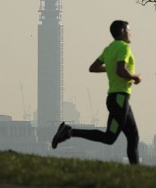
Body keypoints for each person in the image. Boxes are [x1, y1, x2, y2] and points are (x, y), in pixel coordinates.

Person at [51, 20, 143, 164]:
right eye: (129, 30)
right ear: (123, 31)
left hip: (118, 99)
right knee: (109, 138)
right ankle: (69, 132)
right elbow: (121, 71)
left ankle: (136, 174)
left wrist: (110, 67)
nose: (131, 33)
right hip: (119, 98)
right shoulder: (124, 47)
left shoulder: (109, 48)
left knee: (133, 137)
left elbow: (93, 67)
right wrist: (134, 77)